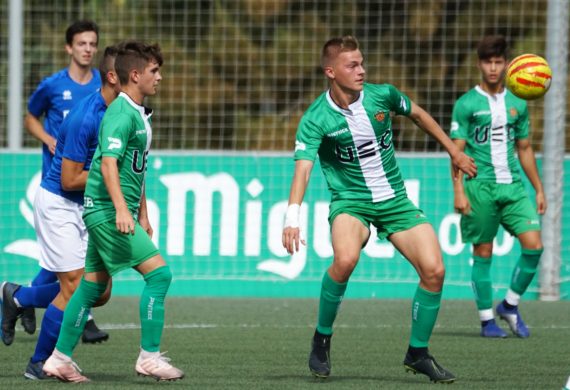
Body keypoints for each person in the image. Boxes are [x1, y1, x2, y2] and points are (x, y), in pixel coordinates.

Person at [281, 35, 477, 384]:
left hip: (395, 201)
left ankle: (418, 353)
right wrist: (292, 216)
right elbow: (304, 168)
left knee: (435, 270)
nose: (361, 70)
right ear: (330, 71)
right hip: (351, 201)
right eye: (352, 65)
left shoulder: (382, 95)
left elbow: (417, 114)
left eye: (362, 63)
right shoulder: (316, 119)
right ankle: (321, 338)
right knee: (345, 260)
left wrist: (453, 151)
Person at [43, 41, 183, 383]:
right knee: (160, 275)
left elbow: (137, 169)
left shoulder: (136, 112)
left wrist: (143, 214)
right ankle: (149, 357)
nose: (159, 77)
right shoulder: (120, 115)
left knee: (91, 287)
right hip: (106, 211)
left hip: (107, 211)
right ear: (134, 75)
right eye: (154, 71)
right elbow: (107, 165)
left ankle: (58, 359)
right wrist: (123, 210)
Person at [1, 45, 121, 380]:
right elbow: (70, 180)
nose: (154, 80)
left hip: (89, 206)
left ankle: (18, 297)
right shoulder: (87, 116)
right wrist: (113, 177)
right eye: (142, 75)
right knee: (75, 286)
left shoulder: (124, 113)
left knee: (99, 291)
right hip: (61, 204)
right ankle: (40, 362)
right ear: (116, 78)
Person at [12, 19, 108, 343]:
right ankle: (72, 319)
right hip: (60, 183)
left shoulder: (103, 84)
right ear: (69, 47)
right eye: (81, 43)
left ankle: (22, 298)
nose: (88, 49)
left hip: (87, 186)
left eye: (93, 44)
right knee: (71, 261)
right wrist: (48, 138)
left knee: (67, 261)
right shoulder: (53, 85)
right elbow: (29, 117)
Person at [450, 35, 546, 338]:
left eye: (498, 62)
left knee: (534, 246)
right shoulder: (466, 104)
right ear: (480, 64)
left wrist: (539, 188)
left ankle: (510, 304)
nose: (493, 68)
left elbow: (525, 148)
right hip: (480, 186)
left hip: (513, 186)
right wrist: (459, 190)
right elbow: (457, 151)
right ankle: (486, 320)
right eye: (488, 62)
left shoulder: (519, 101)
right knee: (483, 251)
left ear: (507, 64)